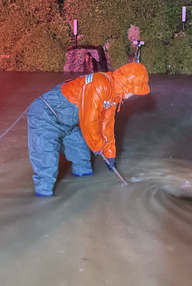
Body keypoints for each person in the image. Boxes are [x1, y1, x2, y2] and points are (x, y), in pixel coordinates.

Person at [27, 62, 150, 196]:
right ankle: (43, 202)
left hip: (70, 122)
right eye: (135, 90)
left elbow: (106, 124)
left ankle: (85, 196)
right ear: (126, 85)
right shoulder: (100, 84)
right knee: (47, 167)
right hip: (45, 116)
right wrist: (98, 146)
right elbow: (89, 121)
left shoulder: (114, 95)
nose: (135, 94)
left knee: (82, 158)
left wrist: (110, 155)